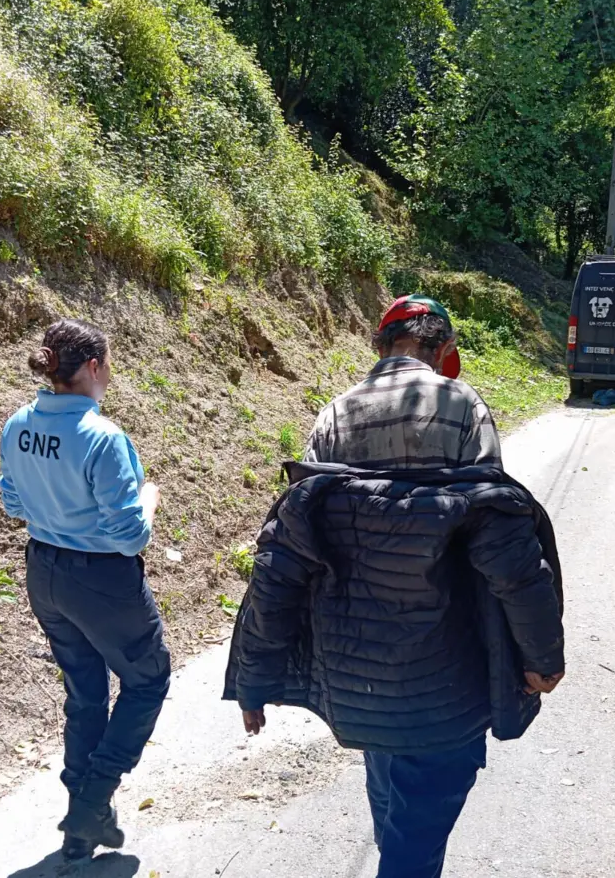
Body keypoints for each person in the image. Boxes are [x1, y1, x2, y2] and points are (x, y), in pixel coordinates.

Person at [222, 295, 566, 878]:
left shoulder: (334, 416)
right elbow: (503, 551)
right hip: (444, 670)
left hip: (356, 669)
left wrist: (254, 679)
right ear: (445, 352)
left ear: (378, 348)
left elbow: (285, 562)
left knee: (394, 796)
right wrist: (541, 657)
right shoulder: (460, 407)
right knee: (415, 832)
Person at [0, 319, 169, 861]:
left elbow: (13, 502)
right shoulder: (103, 437)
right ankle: (92, 800)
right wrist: (151, 499)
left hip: (43, 573)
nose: (110, 374)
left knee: (85, 692)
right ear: (93, 367)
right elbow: (127, 536)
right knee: (148, 680)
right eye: (109, 364)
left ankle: (80, 827)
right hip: (101, 579)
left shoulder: (18, 424)